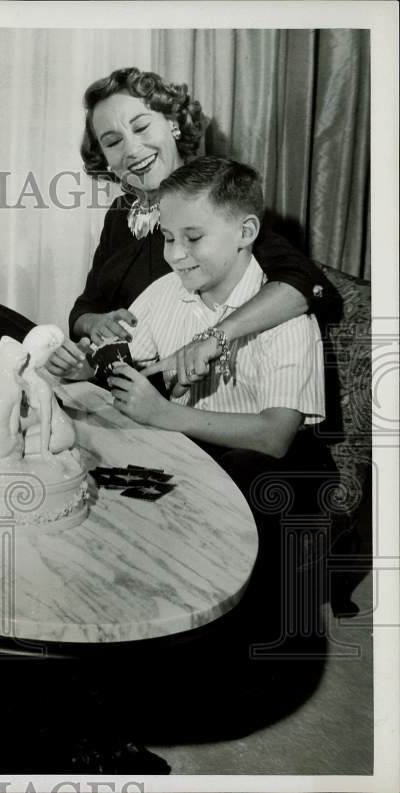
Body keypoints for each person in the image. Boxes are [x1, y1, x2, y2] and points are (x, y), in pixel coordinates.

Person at [61, 155, 333, 647]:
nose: (175, 254)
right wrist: (85, 367)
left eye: (193, 238)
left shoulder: (289, 318)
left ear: (246, 231)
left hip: (278, 462)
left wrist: (164, 414)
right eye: (167, 237)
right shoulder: (168, 291)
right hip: (201, 443)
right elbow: (125, 362)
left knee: (246, 475)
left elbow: (276, 436)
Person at [47, 67, 338, 385]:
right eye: (114, 142)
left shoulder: (212, 198)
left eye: (142, 127)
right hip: (107, 373)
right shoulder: (120, 214)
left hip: (170, 388)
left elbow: (309, 284)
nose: (131, 149)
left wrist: (215, 338)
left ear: (172, 124)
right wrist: (96, 323)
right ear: (104, 159)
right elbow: (83, 309)